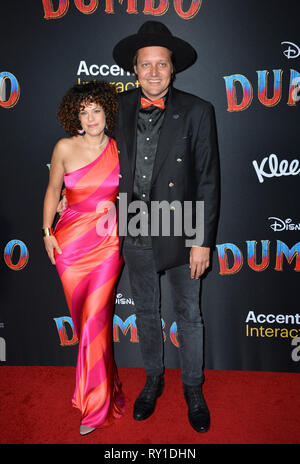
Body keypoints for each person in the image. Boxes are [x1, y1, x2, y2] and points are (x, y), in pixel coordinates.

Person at [112, 21, 220, 433]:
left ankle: (193, 386)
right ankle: (153, 379)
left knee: (188, 314)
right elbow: (93, 158)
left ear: (173, 69)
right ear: (134, 69)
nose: (153, 72)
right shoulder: (117, 108)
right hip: (135, 223)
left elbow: (208, 179)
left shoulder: (198, 110)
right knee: (144, 311)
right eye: (146, 64)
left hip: (182, 223)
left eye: (161, 64)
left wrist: (202, 241)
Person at [42, 81, 125, 436]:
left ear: (107, 111)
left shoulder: (122, 149)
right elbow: (52, 190)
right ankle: (109, 389)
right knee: (86, 324)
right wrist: (47, 232)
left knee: (94, 321)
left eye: (96, 110)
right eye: (83, 111)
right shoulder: (64, 147)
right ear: (74, 117)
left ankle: (95, 408)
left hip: (107, 243)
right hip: (70, 244)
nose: (90, 118)